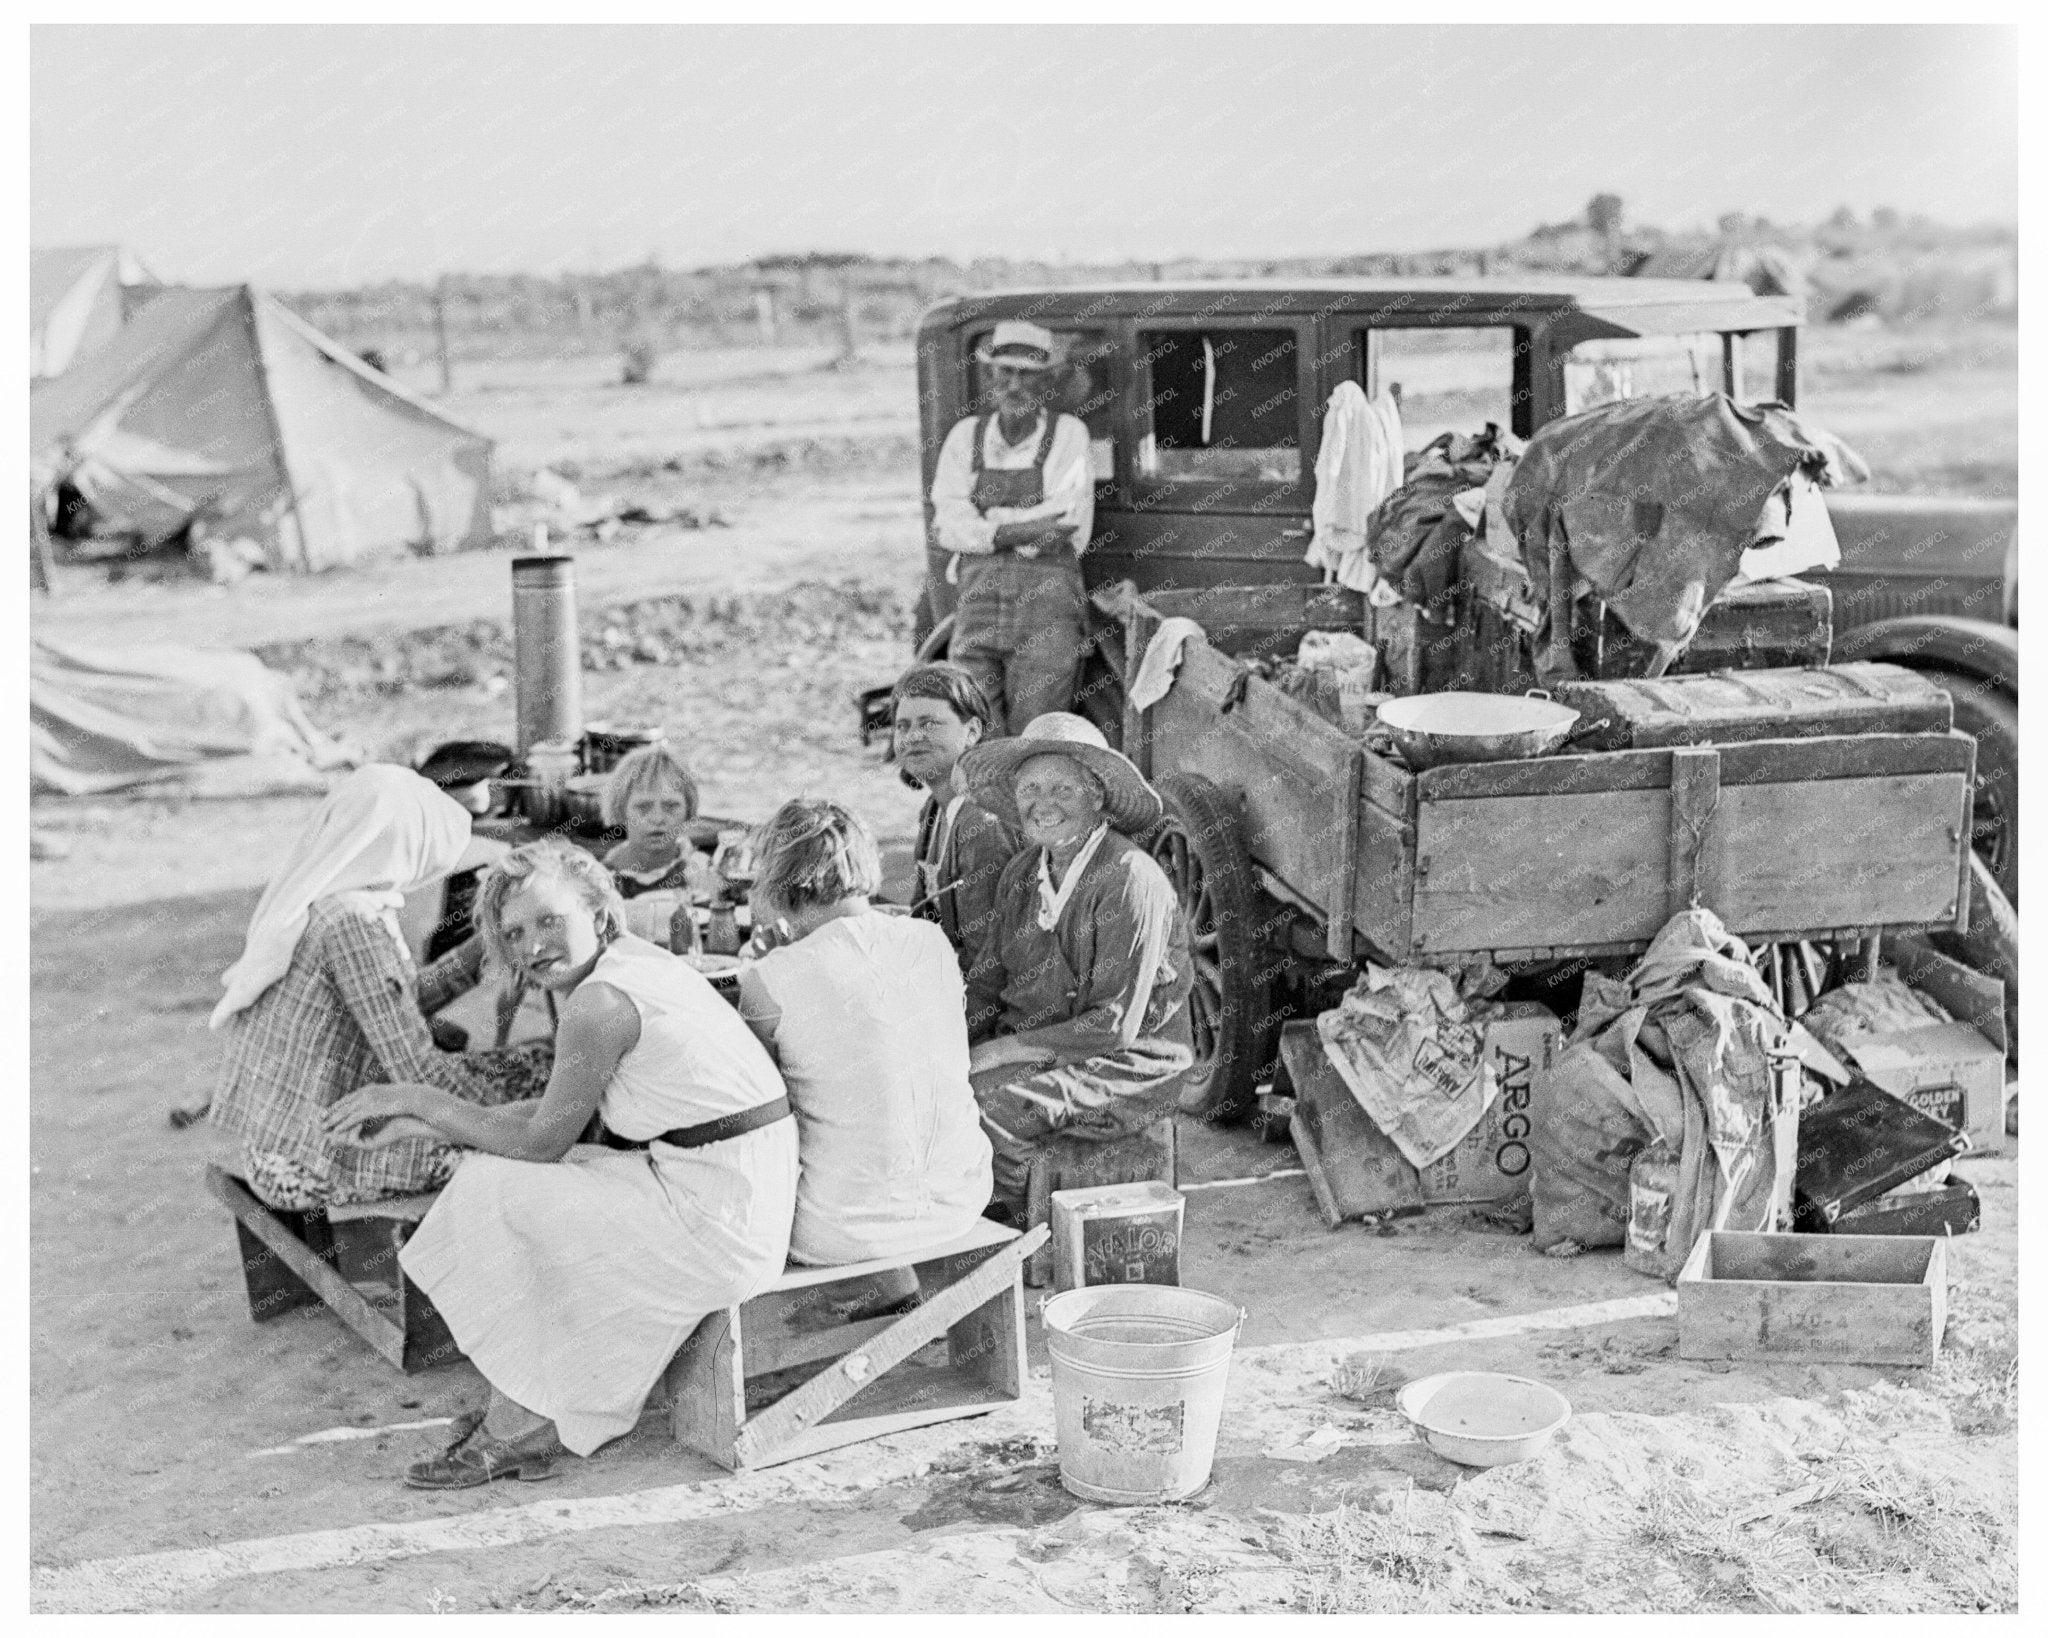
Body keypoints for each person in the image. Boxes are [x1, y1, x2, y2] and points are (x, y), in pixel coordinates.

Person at [324, 839, 796, 1488]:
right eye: (514, 934)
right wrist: (425, 1122)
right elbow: (556, 1111)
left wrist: (416, 1097)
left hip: (720, 1220)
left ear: (600, 913)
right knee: (501, 1182)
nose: (534, 946)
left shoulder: (598, 1006)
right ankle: (525, 1407)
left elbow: (544, 1141)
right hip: (726, 1190)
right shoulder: (632, 966)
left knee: (498, 1188)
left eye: (551, 921)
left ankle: (519, 1423)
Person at [208, 765, 552, 1210]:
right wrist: (527, 1104)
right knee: (535, 1136)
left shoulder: (335, 901)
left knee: (536, 1069)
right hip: (307, 1163)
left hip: (282, 1140)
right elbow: (420, 1074)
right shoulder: (353, 926)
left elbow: (392, 1006)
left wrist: (484, 948)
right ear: (405, 844)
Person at [956, 714, 1195, 1219]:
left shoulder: (1129, 879)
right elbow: (988, 982)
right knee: (941, 1088)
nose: (1043, 804)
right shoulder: (1023, 872)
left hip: (1129, 1064)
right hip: (1046, 1048)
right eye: (1030, 788)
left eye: (1062, 788)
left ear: (1098, 798)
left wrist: (1003, 1050)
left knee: (990, 1105)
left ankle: (1018, 1229)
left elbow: (1116, 1025)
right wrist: (953, 1045)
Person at [739, 800, 993, 1266]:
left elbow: (756, 1111)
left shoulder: (770, 979)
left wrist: (780, 962)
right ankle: (897, 1291)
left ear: (777, 877)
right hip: (961, 1200)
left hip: (839, 1229)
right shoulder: (930, 941)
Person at [929, 319, 1096, 734]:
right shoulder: (965, 437)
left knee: (1036, 731)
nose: (1015, 384)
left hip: (1046, 606)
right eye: (1005, 371)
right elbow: (947, 524)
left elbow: (1065, 522)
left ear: (1046, 382)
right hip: (977, 604)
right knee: (974, 727)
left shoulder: (1069, 434)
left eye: (1027, 374)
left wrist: (985, 528)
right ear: (990, 377)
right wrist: (1019, 530)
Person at [892, 661, 1021, 977]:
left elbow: (988, 964)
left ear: (972, 732)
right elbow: (924, 917)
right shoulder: (934, 809)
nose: (911, 737)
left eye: (929, 723)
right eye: (902, 726)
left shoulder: (982, 823)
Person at [600, 742, 723, 902]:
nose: (658, 818)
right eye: (643, 807)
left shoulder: (703, 871)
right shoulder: (601, 878)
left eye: (671, 807)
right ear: (621, 810)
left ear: (688, 810)